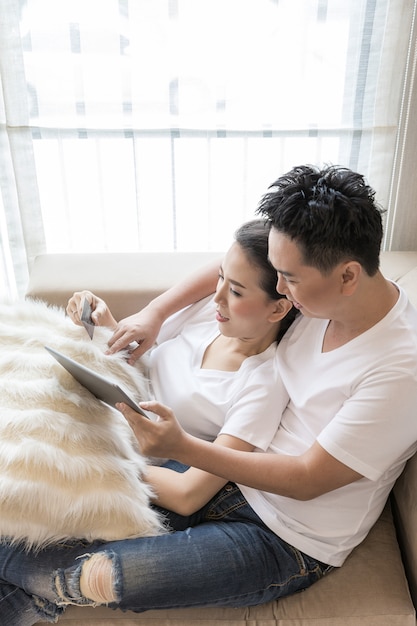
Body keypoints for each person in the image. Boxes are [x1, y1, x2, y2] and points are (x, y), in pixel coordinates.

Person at [1, 164, 417, 625]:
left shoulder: (400, 370)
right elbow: (235, 263)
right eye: (277, 273)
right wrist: (155, 313)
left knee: (90, 575)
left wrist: (181, 447)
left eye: (289, 279)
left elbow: (307, 477)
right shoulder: (317, 291)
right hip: (229, 472)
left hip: (287, 536)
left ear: (348, 275)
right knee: (45, 511)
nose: (279, 287)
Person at [0, 218, 298, 625]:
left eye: (236, 291)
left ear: (279, 306)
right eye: (221, 278)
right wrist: (102, 326)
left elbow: (189, 494)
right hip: (106, 431)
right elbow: (142, 369)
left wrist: (94, 468)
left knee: (14, 542)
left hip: (142, 474)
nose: (217, 298)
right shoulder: (205, 317)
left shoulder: (263, 382)